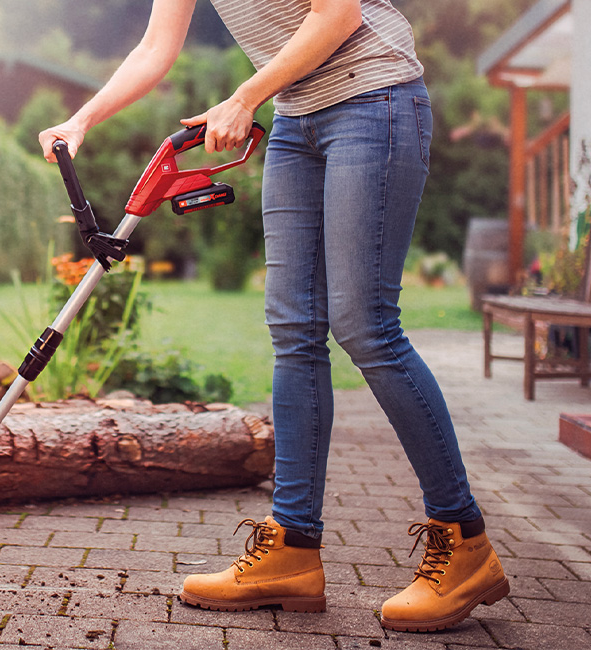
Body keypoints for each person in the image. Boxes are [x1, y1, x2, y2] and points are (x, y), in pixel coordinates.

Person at [39, 0, 510, 633]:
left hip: (373, 101)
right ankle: (291, 549)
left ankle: (466, 542)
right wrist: (84, 117)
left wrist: (245, 95)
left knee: (365, 324)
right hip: (298, 122)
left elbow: (339, 14)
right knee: (293, 331)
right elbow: (156, 47)